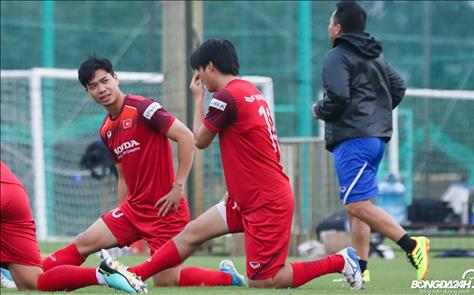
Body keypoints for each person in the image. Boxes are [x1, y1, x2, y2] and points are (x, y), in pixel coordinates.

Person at [104, 38, 364, 290]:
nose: (200, 79)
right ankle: (132, 274)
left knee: (265, 281)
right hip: (245, 198)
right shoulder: (250, 90)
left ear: (209, 67)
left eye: (199, 71)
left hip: (265, 202)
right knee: (190, 234)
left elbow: (199, 140)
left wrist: (197, 98)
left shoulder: (226, 97)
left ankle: (340, 261)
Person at [42, 57, 237, 288]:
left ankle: (229, 278)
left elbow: (185, 136)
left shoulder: (143, 108)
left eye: (105, 81)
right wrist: (119, 210)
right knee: (83, 242)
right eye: (93, 86)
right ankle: (26, 273)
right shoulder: (106, 129)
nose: (102, 89)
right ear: (87, 92)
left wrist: (178, 186)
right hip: (133, 210)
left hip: (165, 210)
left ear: (116, 78)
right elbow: (123, 175)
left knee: (166, 281)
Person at [311, 1, 429, 282]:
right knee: (359, 206)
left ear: (338, 28)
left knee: (354, 206)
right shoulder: (375, 55)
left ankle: (413, 245)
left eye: (330, 23)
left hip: (354, 139)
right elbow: (398, 87)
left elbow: (338, 96)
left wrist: (319, 110)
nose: (328, 28)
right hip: (375, 138)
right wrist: (375, 114)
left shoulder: (336, 56)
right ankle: (360, 271)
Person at [0, 160, 144, 292]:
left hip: (150, 209)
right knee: (30, 283)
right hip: (15, 191)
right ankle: (103, 275)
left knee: (83, 245)